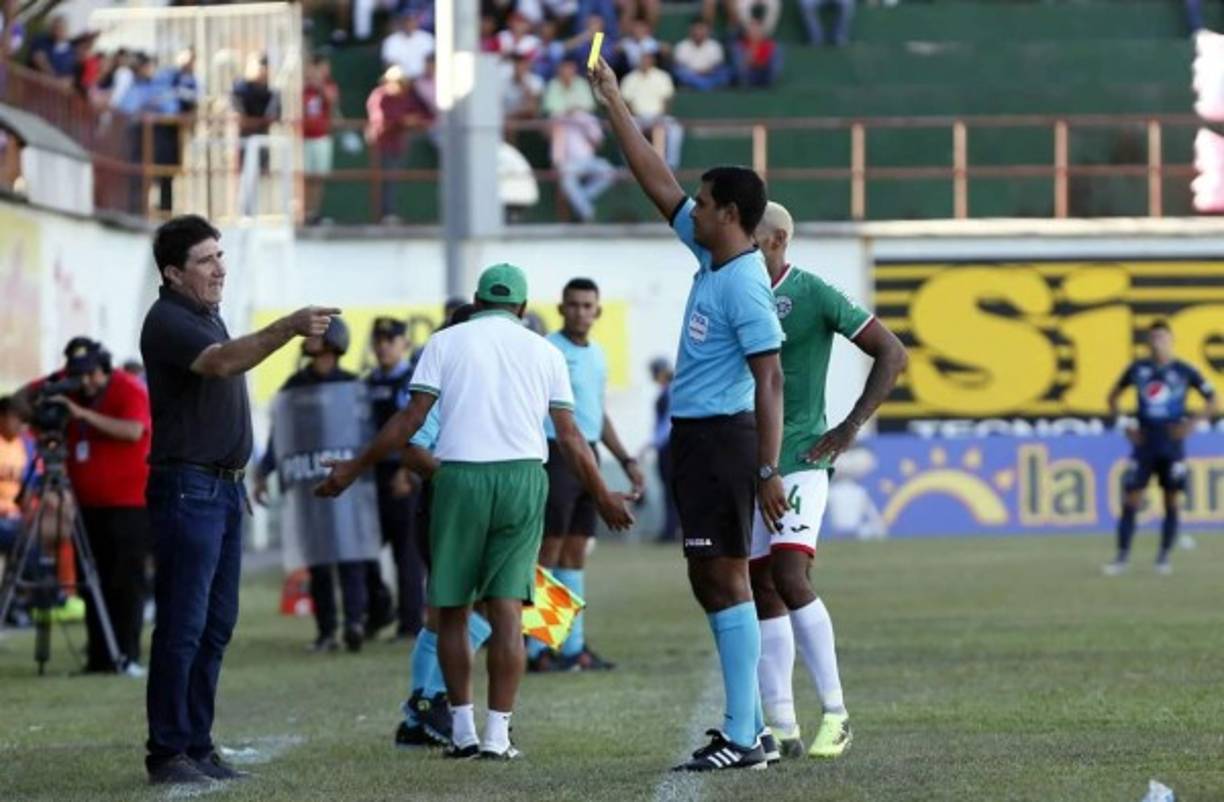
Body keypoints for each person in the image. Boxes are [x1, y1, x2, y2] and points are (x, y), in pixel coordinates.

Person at [316, 263, 635, 760]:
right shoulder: (545, 349)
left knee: (451, 609)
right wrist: (604, 493)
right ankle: (497, 736)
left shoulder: (445, 343)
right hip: (525, 478)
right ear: (524, 308)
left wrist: (353, 468)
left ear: (478, 301)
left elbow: (411, 419)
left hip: (458, 478)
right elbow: (570, 437)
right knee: (507, 608)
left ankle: (461, 731)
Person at [588, 57, 787, 771]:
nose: (690, 209)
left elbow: (771, 381)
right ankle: (750, 727)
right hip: (702, 439)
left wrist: (767, 467)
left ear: (730, 214)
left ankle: (744, 732)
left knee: (725, 577)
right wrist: (613, 101)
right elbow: (657, 182)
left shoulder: (743, 286)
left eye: (703, 203)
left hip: (724, 441)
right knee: (711, 577)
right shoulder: (713, 259)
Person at [140, 214, 338, 785]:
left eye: (220, 255)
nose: (220, 268)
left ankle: (197, 745)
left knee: (215, 624)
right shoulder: (168, 320)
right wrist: (289, 326)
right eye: (205, 260)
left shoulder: (204, 314)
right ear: (174, 273)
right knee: (182, 625)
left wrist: (234, 476)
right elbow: (223, 361)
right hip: (188, 489)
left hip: (219, 489)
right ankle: (167, 751)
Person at [750, 201, 907, 760]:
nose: (742, 242)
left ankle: (837, 715)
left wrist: (848, 427)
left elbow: (892, 352)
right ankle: (783, 727)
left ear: (777, 240)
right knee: (759, 586)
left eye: (752, 234)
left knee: (790, 574)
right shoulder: (731, 289)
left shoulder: (812, 292)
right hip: (748, 460)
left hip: (800, 456)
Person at [527, 278, 647, 672]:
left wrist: (626, 459)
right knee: (549, 551)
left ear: (597, 311)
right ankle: (538, 649)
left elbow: (597, 413)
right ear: (561, 310)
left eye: (587, 305)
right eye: (573, 305)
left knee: (576, 553)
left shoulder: (597, 355)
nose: (580, 311)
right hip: (557, 454)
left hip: (588, 453)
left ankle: (571, 647)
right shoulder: (549, 352)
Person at [18, 338, 155, 676]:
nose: (86, 382)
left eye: (92, 374)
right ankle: (100, 657)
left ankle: (127, 654)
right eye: (80, 375)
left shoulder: (128, 388)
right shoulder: (66, 383)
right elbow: (20, 397)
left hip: (129, 505)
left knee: (125, 582)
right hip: (87, 505)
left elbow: (133, 430)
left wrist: (81, 414)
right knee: (92, 580)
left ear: (104, 367)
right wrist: (39, 418)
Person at [393, 304, 495, 748]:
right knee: (458, 611)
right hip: (447, 507)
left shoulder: (477, 385)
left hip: (473, 505)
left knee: (477, 609)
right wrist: (461, 482)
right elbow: (413, 448)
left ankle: (418, 720)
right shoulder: (441, 388)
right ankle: (427, 701)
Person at [254, 318, 376, 653]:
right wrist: (264, 472)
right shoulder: (294, 387)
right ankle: (326, 631)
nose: (307, 341)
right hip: (310, 488)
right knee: (318, 560)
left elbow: (367, 436)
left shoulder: (353, 386)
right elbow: (281, 437)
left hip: (346, 486)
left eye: (316, 336)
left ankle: (354, 622)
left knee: (351, 556)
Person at [1104, 321, 1217, 575]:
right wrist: (1125, 425)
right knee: (1131, 497)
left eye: (1163, 338)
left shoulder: (1184, 370)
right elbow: (1112, 397)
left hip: (1172, 442)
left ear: (1171, 340)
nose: (1159, 342)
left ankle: (1163, 557)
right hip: (1145, 441)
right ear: (1148, 342)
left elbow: (1213, 399)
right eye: (1154, 338)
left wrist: (1191, 425)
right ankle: (1122, 557)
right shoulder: (1138, 369)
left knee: (1171, 500)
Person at [364, 316, 427, 639]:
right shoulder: (367, 384)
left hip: (403, 470)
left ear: (404, 344)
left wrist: (406, 471)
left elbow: (416, 428)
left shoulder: (411, 384)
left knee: (407, 553)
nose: (384, 346)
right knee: (365, 549)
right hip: (370, 473)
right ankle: (376, 612)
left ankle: (411, 622)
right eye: (379, 340)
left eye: (391, 340)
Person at [365, 65, 430, 222]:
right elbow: (380, 119)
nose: (397, 85)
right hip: (381, 143)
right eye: (394, 81)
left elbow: (423, 113)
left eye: (400, 82)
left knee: (392, 179)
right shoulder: (379, 96)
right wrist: (403, 121)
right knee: (384, 179)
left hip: (398, 143)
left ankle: (389, 213)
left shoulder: (406, 96)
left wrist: (412, 120)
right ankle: (384, 214)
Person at [620, 49, 683, 169]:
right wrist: (637, 116)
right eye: (643, 58)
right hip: (637, 117)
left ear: (653, 60)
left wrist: (659, 116)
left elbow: (667, 100)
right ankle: (630, 164)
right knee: (624, 127)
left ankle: (671, 164)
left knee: (675, 128)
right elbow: (626, 103)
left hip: (657, 115)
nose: (645, 61)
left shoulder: (663, 76)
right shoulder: (629, 78)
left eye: (648, 58)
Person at [302, 53, 339, 225]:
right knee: (304, 177)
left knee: (318, 178)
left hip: (321, 137)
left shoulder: (328, 85)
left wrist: (319, 85)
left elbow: (331, 99)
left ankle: (313, 212)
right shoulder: (302, 87)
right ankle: (302, 211)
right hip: (303, 138)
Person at [645, 357, 678, 543]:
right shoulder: (668, 391)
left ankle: (670, 530)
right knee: (670, 490)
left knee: (671, 490)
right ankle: (670, 528)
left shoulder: (670, 392)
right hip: (668, 445)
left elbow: (667, 423)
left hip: (668, 446)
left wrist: (652, 444)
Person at [0, 396, 33, 583]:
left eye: (25, 422)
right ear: (2, 416)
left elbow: (27, 486)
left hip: (14, 515)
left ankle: (16, 602)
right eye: (18, 419)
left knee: (33, 537)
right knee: (23, 542)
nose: (22, 427)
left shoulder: (25, 446)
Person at [231, 54, 281, 174]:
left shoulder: (272, 92)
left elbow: (273, 118)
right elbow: (240, 120)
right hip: (243, 144)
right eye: (258, 65)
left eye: (264, 66)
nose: (261, 70)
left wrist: (255, 122)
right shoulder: (240, 89)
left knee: (262, 178)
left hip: (263, 144)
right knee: (243, 179)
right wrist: (258, 122)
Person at [672, 18, 732, 92]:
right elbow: (680, 66)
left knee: (724, 72)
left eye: (701, 29)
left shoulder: (715, 46)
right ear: (690, 30)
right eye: (695, 29)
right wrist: (696, 73)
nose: (698, 32)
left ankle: (703, 87)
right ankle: (705, 87)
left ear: (707, 31)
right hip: (691, 76)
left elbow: (717, 66)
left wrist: (706, 71)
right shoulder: (682, 46)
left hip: (710, 75)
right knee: (681, 72)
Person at [381, 10, 435, 80]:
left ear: (416, 21)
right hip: (400, 81)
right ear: (401, 22)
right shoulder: (391, 41)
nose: (409, 24)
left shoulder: (427, 38)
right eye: (406, 21)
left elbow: (432, 61)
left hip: (424, 80)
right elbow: (389, 64)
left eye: (411, 20)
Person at [732, 18, 781, 88]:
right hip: (747, 75)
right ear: (746, 32)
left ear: (762, 32)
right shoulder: (740, 45)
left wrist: (755, 62)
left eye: (757, 30)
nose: (754, 33)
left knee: (776, 53)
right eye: (752, 30)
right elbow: (742, 64)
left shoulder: (769, 45)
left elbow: (766, 64)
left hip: (764, 75)